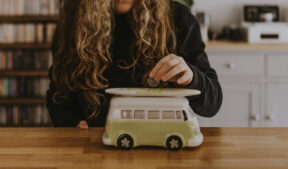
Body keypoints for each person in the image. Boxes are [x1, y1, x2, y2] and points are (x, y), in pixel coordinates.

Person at [47, 0, 223, 129]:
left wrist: (191, 77)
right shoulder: (73, 20)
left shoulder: (179, 18)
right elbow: (58, 94)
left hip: (162, 149)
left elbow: (212, 104)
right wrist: (71, 122)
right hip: (94, 150)